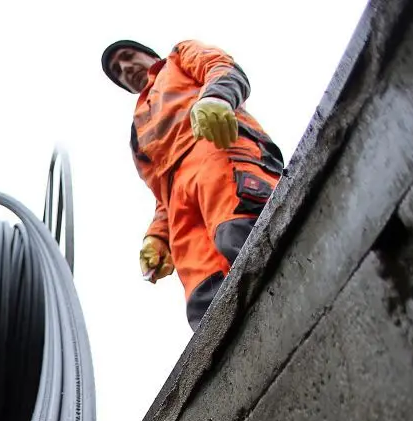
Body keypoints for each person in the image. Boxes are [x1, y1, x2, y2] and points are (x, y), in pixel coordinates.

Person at [101, 39, 285, 327]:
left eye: (127, 57)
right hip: (180, 206)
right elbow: (163, 195)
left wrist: (217, 97)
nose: (125, 68)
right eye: (118, 71)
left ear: (149, 54)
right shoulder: (138, 131)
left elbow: (221, 66)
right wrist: (158, 237)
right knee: (205, 297)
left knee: (245, 238)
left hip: (218, 152)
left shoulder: (178, 58)